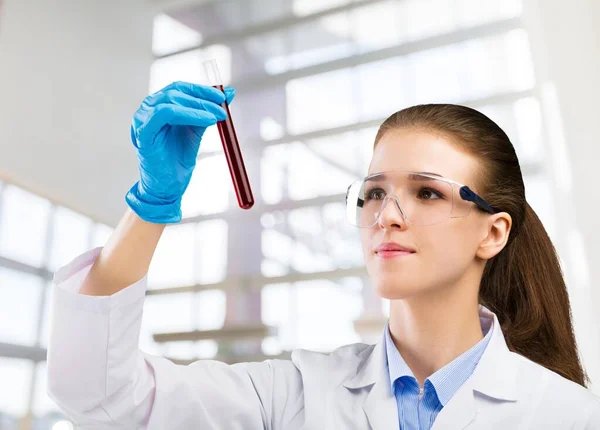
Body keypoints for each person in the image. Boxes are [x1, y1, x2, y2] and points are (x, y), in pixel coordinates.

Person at [47, 81, 600, 429]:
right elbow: (102, 398)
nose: (387, 214)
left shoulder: (566, 416)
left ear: (493, 234)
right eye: (375, 192)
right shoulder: (296, 396)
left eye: (427, 192)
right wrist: (151, 203)